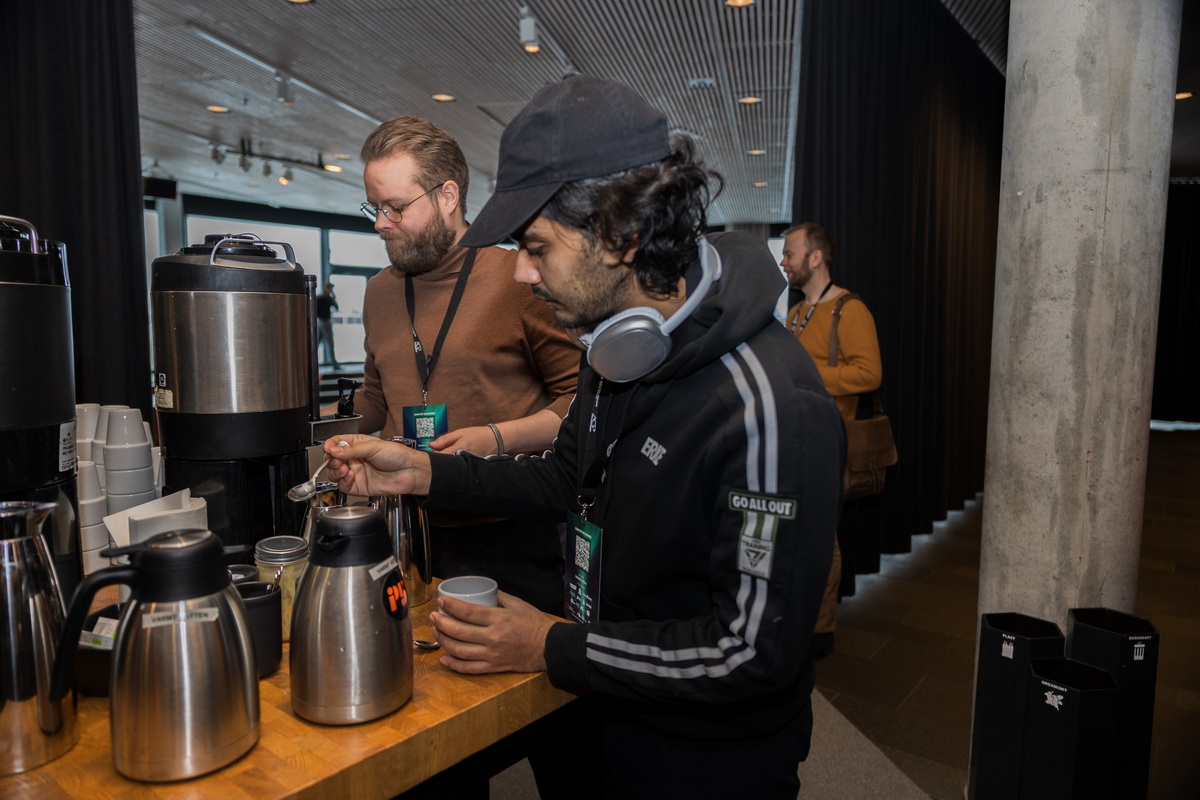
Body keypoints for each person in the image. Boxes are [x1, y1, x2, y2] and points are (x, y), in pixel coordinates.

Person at [326, 75, 844, 798]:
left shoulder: (771, 405)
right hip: (604, 707)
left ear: (621, 235)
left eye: (536, 247)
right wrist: (423, 473)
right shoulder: (614, 348)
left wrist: (550, 643)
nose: (523, 272)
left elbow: (749, 651)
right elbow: (563, 479)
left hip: (703, 761)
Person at [356, 115, 580, 613]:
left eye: (395, 207)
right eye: (374, 208)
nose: (380, 223)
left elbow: (579, 403)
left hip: (507, 528)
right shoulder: (379, 291)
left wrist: (495, 438)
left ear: (448, 195)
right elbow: (376, 397)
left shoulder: (520, 278)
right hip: (405, 524)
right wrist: (319, 431)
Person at [781, 222, 883, 658]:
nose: (784, 261)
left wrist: (807, 375)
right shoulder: (795, 314)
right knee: (799, 533)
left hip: (829, 441)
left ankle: (820, 631)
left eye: (790, 253)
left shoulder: (849, 309)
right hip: (794, 438)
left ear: (816, 257)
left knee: (821, 535)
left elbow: (870, 374)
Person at [316, 282, 339, 367]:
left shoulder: (318, 297)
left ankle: (310, 361)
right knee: (330, 343)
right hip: (325, 321)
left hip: (319, 321)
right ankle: (334, 364)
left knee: (317, 342)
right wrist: (333, 296)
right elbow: (336, 307)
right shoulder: (328, 298)